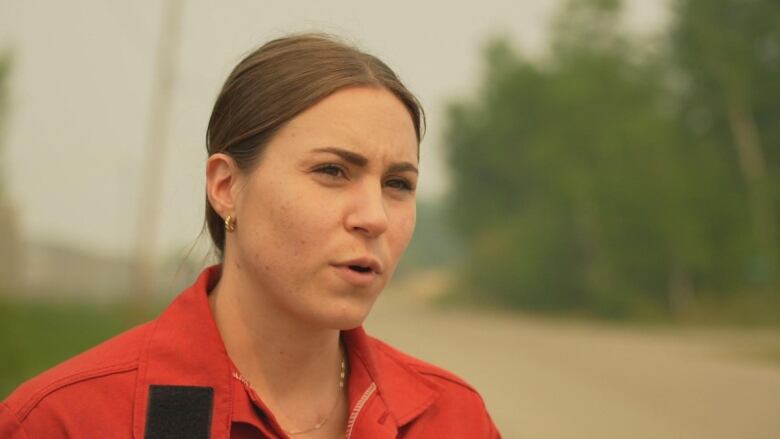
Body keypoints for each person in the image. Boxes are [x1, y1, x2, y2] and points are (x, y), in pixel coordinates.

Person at [0, 33, 500, 438]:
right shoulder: (66, 421)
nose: (375, 217)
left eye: (398, 184)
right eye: (332, 171)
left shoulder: (452, 419)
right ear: (226, 186)